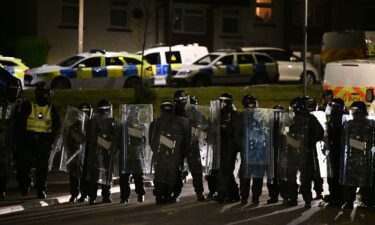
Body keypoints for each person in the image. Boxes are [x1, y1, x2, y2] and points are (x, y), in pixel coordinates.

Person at [16, 82, 60, 199]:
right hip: (29, 140)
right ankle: (25, 185)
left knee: (42, 168)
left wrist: (50, 141)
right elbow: (21, 124)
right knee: (25, 165)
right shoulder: (28, 106)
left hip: (43, 142)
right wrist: (23, 139)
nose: (46, 97)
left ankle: (40, 189)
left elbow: (56, 127)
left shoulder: (52, 109)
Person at [149, 100, 190, 204]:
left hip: (162, 154)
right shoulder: (180, 122)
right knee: (173, 175)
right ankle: (169, 195)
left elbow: (152, 140)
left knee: (160, 174)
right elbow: (185, 140)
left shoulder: (156, 122)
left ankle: (160, 195)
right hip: (173, 154)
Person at [172, 90, 205, 202]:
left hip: (191, 143)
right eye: (178, 100)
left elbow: (202, 124)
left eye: (182, 100)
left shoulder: (193, 111)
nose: (180, 102)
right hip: (178, 144)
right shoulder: (173, 112)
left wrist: (196, 134)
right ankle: (176, 193)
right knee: (177, 170)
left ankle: (200, 193)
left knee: (196, 170)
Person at [341, 101, 375, 209]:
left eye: (353, 110)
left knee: (353, 182)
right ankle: (368, 202)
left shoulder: (349, 123)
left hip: (355, 157)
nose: (352, 112)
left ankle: (350, 202)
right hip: (364, 158)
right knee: (366, 181)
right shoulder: (371, 123)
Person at [118, 104, 152, 204]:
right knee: (129, 177)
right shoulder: (124, 127)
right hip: (129, 154)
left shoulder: (138, 127)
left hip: (133, 154)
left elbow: (144, 141)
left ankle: (135, 195)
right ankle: (127, 196)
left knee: (135, 177)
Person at [236, 94, 266, 205]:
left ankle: (256, 196)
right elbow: (237, 134)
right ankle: (244, 196)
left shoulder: (261, 117)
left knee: (258, 175)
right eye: (250, 104)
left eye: (254, 104)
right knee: (245, 176)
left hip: (258, 150)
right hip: (247, 151)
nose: (252, 106)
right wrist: (243, 145)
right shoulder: (241, 117)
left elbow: (266, 131)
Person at [85, 100, 116, 204]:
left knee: (95, 175)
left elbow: (90, 138)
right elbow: (93, 138)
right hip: (103, 152)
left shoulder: (93, 120)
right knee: (105, 175)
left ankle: (92, 197)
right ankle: (105, 196)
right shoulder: (109, 121)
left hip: (96, 152)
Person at [62, 103, 93, 202]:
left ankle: (84, 194)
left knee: (85, 175)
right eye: (83, 111)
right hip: (76, 153)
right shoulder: (75, 125)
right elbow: (69, 139)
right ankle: (74, 194)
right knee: (74, 175)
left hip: (88, 154)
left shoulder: (92, 124)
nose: (85, 113)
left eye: (87, 111)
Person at [0, 77, 23, 199]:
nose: (13, 90)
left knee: (22, 162)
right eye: (11, 88)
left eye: (15, 88)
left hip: (19, 137)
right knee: (4, 162)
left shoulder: (23, 104)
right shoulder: (2, 103)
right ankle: (2, 188)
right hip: (5, 136)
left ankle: (23, 184)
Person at [215, 93, 240, 203]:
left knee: (225, 171)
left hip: (230, 147)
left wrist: (226, 129)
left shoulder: (233, 115)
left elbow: (235, 131)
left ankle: (223, 194)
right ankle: (234, 194)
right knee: (225, 172)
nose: (222, 104)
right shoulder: (218, 114)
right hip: (220, 146)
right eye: (221, 101)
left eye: (224, 102)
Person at [324, 98, 347, 207]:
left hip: (339, 151)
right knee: (331, 176)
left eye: (334, 106)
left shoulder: (342, 119)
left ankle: (338, 198)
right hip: (332, 150)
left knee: (337, 175)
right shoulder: (333, 118)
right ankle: (333, 195)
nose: (332, 108)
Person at [266, 104, 284, 204]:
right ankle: (273, 196)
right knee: (271, 177)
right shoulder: (269, 124)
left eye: (279, 113)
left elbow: (288, 137)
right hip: (271, 153)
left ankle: (285, 195)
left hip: (281, 153)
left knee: (281, 176)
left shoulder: (285, 124)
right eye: (275, 113)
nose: (277, 115)